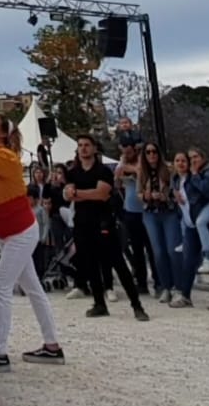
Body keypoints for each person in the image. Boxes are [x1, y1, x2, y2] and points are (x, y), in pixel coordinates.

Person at [0, 117, 65, 370]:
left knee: (1, 285)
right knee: (33, 288)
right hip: (6, 231)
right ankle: (52, 345)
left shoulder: (5, 156)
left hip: (20, 231)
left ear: (3, 134)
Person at [68, 134, 151, 321]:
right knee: (90, 264)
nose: (83, 148)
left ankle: (136, 305)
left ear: (94, 148)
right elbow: (67, 194)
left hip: (102, 222)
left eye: (86, 145)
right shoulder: (73, 172)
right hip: (82, 223)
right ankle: (99, 304)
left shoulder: (103, 170)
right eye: (80, 145)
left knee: (118, 263)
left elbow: (101, 194)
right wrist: (81, 194)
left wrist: (78, 193)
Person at [179, 147, 209, 310]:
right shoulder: (189, 174)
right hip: (194, 219)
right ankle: (185, 295)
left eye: (196, 157)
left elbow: (205, 189)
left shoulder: (207, 171)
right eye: (190, 157)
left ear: (203, 157)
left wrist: (194, 175)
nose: (193, 160)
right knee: (189, 259)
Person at [137, 145, 180, 304]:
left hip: (168, 212)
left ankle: (178, 286)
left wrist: (165, 197)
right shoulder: (142, 171)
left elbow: (177, 189)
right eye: (148, 152)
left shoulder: (169, 169)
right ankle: (165, 286)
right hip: (150, 213)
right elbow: (138, 193)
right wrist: (145, 195)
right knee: (158, 252)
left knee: (172, 251)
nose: (151, 155)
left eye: (154, 151)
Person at [116, 144, 154, 294]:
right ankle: (142, 283)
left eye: (129, 152)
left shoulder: (143, 165)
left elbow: (140, 171)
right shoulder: (124, 166)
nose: (127, 154)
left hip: (145, 210)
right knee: (137, 250)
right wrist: (122, 165)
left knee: (151, 248)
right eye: (125, 152)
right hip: (130, 211)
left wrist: (128, 168)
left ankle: (158, 281)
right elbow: (117, 179)